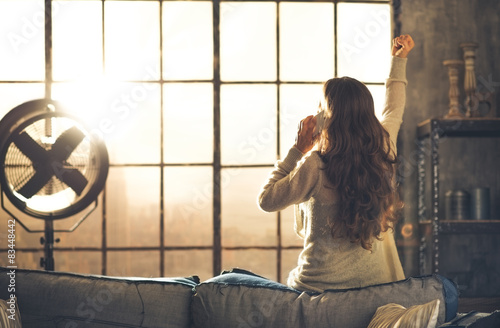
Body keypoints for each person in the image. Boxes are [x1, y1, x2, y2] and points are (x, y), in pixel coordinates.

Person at [257, 35, 415, 293]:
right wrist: (399, 60)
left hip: (317, 288)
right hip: (378, 285)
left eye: (320, 107)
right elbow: (393, 110)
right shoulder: (384, 150)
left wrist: (297, 151)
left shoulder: (315, 166)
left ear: (328, 117)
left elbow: (266, 200)